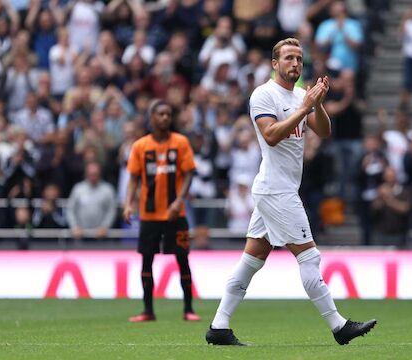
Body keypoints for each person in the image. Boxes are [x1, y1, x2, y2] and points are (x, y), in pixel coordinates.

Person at [205, 38, 376, 346]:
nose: (295, 63)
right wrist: (304, 109)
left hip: (277, 189)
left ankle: (219, 326)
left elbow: (323, 132)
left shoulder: (299, 95)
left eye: (299, 58)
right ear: (275, 64)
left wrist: (317, 105)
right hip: (277, 192)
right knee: (310, 257)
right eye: (288, 58)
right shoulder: (263, 95)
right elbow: (270, 135)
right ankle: (339, 327)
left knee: (251, 261)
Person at [123, 100, 200, 322]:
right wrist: (129, 204)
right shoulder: (140, 146)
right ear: (152, 118)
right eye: (161, 114)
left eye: (168, 114)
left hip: (176, 215)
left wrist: (178, 201)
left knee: (182, 259)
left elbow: (189, 174)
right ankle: (148, 311)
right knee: (146, 261)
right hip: (149, 215)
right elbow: (133, 179)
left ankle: (188, 309)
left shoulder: (181, 142)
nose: (165, 118)